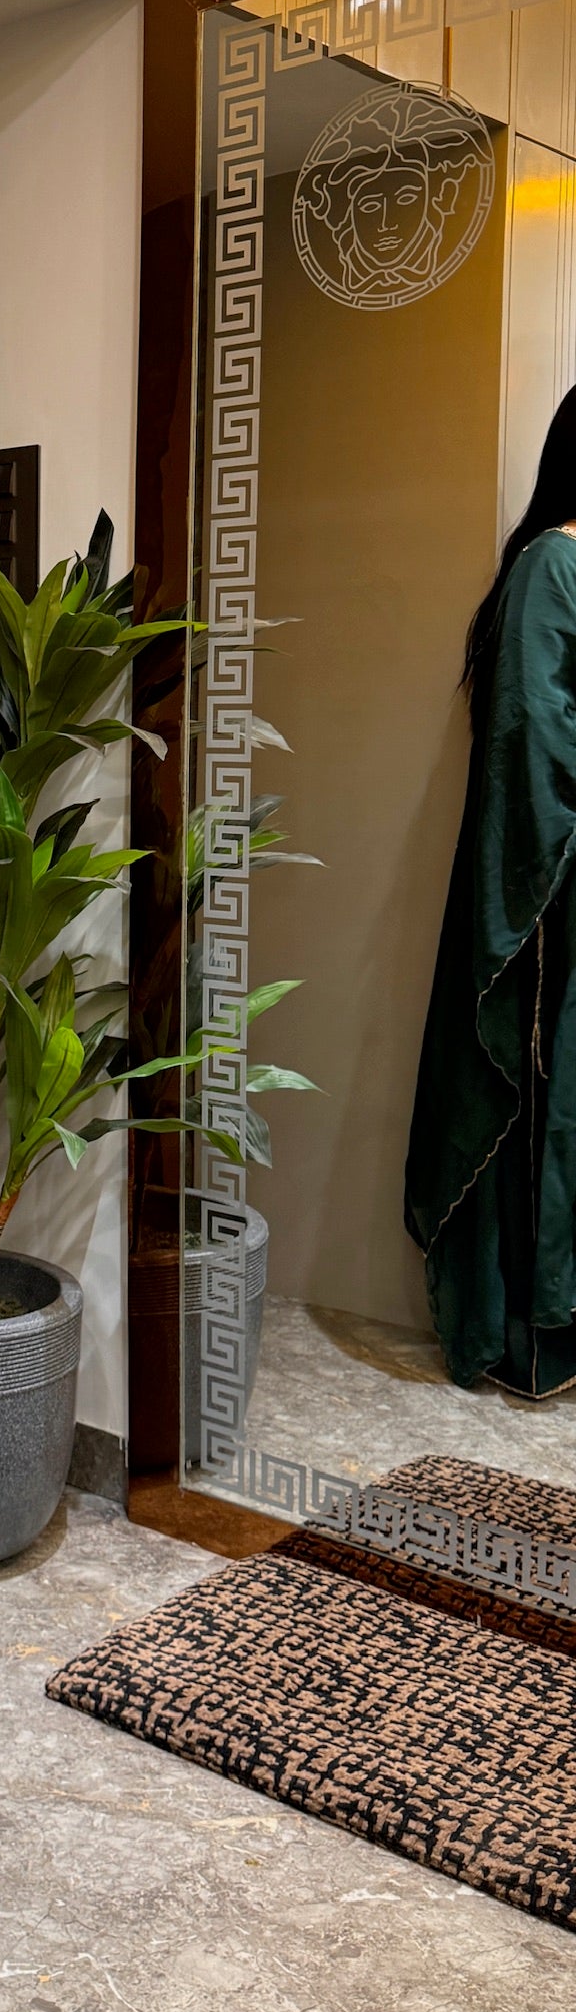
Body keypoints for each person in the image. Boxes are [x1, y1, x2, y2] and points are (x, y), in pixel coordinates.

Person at [406, 386, 576, 1398]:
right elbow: (534, 742)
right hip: (552, 904)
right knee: (546, 1106)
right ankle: (528, 1326)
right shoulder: (554, 564)